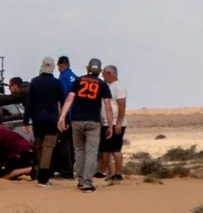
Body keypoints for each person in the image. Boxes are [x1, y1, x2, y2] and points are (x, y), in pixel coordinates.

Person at [59, 60, 109, 192]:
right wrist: (109, 124)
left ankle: (81, 179)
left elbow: (69, 99)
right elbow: (107, 106)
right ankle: (87, 182)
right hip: (93, 121)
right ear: (100, 70)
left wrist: (62, 116)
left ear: (87, 68)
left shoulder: (78, 81)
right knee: (91, 152)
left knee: (79, 150)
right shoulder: (102, 84)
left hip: (76, 120)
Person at [25, 59, 62, 185]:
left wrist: (26, 121)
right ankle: (43, 177)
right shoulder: (57, 83)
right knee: (48, 148)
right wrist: (64, 119)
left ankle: (38, 173)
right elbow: (63, 101)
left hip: (37, 119)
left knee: (39, 146)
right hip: (51, 120)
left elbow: (29, 103)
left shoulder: (35, 82)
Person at [98, 64, 129, 182]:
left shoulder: (118, 87)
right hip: (107, 123)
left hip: (115, 123)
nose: (103, 76)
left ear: (109, 74)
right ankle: (106, 172)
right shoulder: (109, 86)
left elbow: (122, 105)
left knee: (115, 149)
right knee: (106, 149)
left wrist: (119, 123)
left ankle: (118, 173)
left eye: (104, 74)